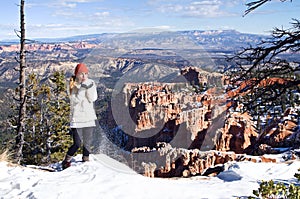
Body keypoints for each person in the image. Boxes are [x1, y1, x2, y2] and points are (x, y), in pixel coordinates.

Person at [62, 63, 98, 169]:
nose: (84, 76)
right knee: (77, 143)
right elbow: (75, 101)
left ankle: (85, 160)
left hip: (89, 116)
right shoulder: (72, 85)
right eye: (81, 74)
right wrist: (82, 89)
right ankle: (66, 160)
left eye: (86, 74)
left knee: (88, 142)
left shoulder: (90, 83)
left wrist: (88, 87)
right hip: (76, 118)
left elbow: (92, 98)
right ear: (77, 74)